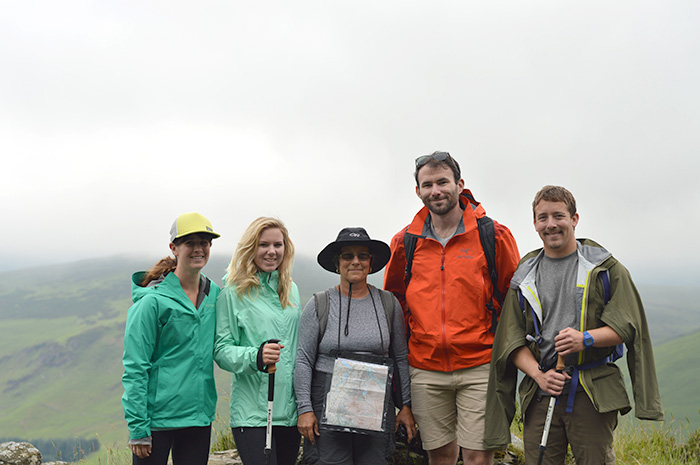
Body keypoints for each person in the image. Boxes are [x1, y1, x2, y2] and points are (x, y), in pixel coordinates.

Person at [485, 185, 664, 464]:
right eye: (543, 217)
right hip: (542, 393)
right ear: (534, 223)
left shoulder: (605, 268)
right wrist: (539, 376)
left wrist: (586, 339)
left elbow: (628, 327)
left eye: (559, 215)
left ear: (574, 219)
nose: (551, 224)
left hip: (592, 394)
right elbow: (511, 340)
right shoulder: (525, 274)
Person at [383, 152, 520, 465]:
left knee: (477, 457)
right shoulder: (405, 242)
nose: (436, 191)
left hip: (480, 364)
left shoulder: (493, 236)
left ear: (459, 184)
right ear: (418, 191)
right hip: (425, 368)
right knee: (440, 456)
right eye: (427, 184)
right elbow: (394, 301)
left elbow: (513, 298)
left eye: (442, 182)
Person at [295, 227, 416, 465]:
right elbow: (303, 360)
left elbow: (400, 358)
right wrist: (305, 409)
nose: (355, 262)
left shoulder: (388, 304)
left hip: (375, 403)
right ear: (337, 264)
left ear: (371, 264)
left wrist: (405, 406)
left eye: (363, 256)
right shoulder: (319, 304)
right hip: (325, 404)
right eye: (347, 256)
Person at [122, 212, 221, 465]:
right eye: (190, 243)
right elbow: (135, 367)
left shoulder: (214, 295)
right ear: (174, 248)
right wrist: (138, 428)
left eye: (205, 242)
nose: (199, 249)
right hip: (157, 422)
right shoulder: (152, 302)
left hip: (198, 417)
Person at [214, 217, 302, 465]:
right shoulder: (233, 293)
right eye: (263, 245)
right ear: (251, 248)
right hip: (253, 415)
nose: (272, 251)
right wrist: (255, 356)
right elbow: (221, 350)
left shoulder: (291, 289)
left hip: (291, 413)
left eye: (278, 244)